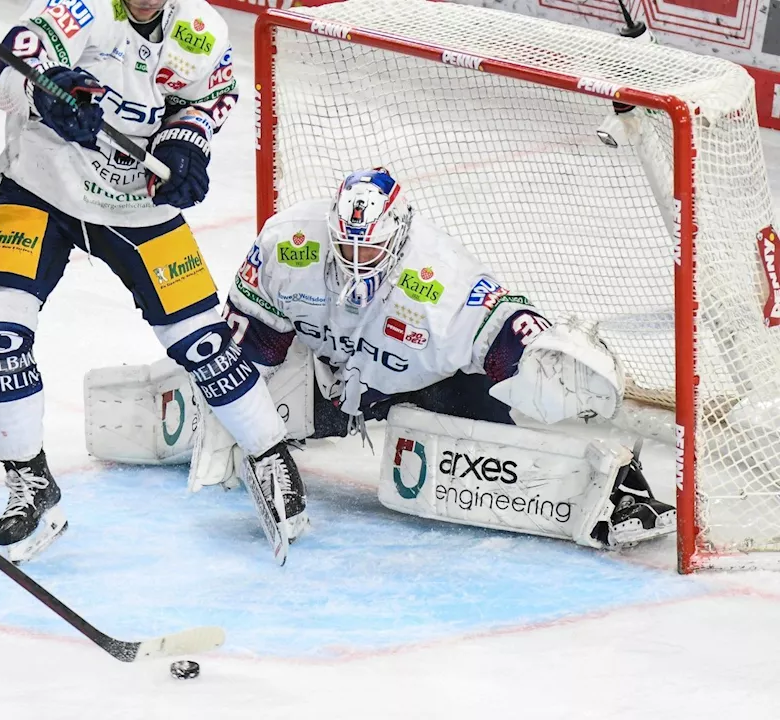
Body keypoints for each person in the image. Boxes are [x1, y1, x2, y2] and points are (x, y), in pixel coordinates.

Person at [86, 167, 677, 550]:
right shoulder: (289, 241)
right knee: (218, 389)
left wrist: (546, 354)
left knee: (489, 435)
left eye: (369, 247)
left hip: (423, 386)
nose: (354, 259)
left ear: (398, 236)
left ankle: (614, 491)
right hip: (329, 374)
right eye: (346, 244)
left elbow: (506, 334)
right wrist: (246, 435)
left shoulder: (438, 280)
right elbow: (250, 346)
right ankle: (138, 413)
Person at [0, 0, 305, 563]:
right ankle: (27, 479)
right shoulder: (80, 7)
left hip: (133, 203)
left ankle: (271, 456)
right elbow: (7, 66)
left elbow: (207, 103)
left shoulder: (204, 30)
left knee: (204, 343)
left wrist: (185, 145)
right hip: (39, 184)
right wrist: (45, 90)